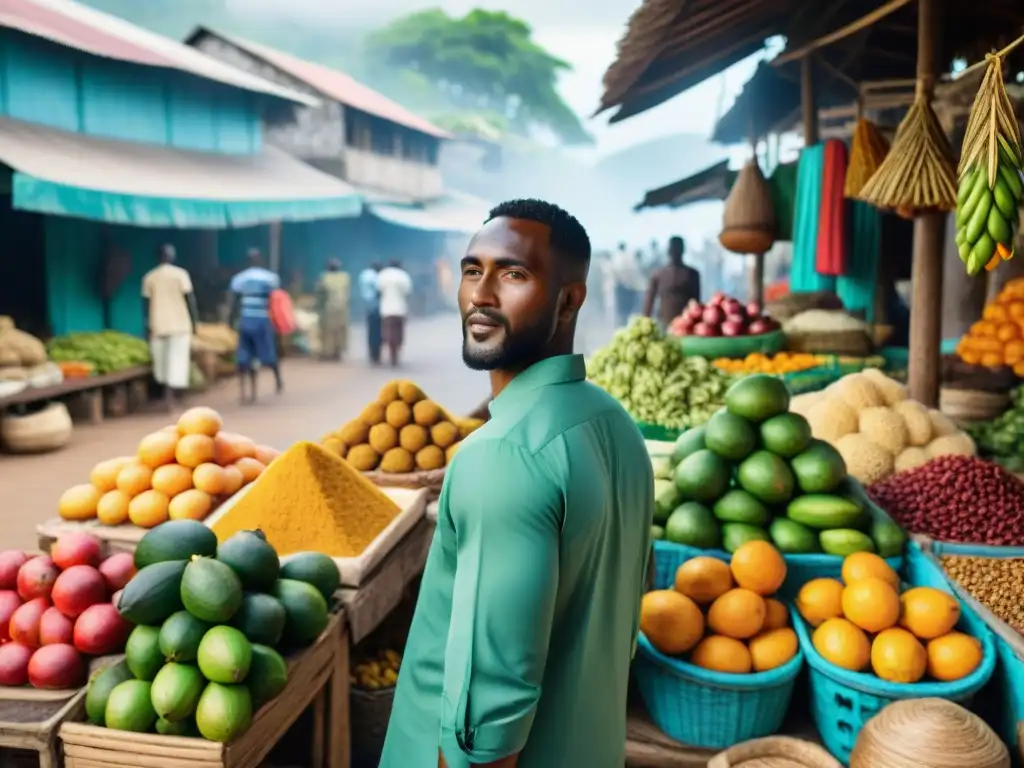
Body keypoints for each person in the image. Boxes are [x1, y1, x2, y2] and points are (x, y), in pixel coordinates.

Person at [381, 199, 653, 768]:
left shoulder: (501, 455)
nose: (481, 295)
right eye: (472, 270)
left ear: (570, 300)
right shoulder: (613, 423)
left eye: (513, 274)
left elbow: (485, 731)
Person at [141, 244, 197, 411]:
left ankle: (168, 396)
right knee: (177, 361)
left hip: (158, 324)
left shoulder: (149, 277)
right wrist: (194, 321)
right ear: (172, 256)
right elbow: (190, 299)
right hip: (179, 324)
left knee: (161, 362)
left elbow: (146, 303)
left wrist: (147, 324)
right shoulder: (180, 274)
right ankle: (171, 397)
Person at [229, 249, 283, 403]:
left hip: (246, 319)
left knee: (244, 356)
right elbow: (276, 299)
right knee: (268, 352)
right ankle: (278, 380)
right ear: (261, 260)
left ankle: (244, 393)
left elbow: (234, 300)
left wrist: (230, 319)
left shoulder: (240, 278)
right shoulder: (270, 278)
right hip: (262, 319)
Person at [643, 235, 702, 327]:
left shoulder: (692, 274)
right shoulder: (659, 275)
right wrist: (645, 324)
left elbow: (696, 304)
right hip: (664, 324)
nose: (675, 252)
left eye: (677, 249)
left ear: (683, 251)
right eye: (673, 249)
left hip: (686, 325)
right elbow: (649, 303)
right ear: (668, 251)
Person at [376, 259, 413, 366]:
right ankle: (396, 354)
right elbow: (408, 291)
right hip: (399, 309)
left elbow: (379, 289)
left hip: (386, 309)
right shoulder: (403, 275)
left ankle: (391, 353)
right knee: (398, 333)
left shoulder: (383, 275)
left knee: (388, 332)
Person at [315, 258, 351, 361]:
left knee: (328, 330)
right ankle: (338, 351)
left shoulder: (324, 277)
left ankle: (327, 351)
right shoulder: (345, 277)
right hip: (343, 308)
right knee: (340, 330)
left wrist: (318, 306)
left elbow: (319, 292)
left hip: (329, 308)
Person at [612, 241, 645, 326]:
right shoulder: (625, 257)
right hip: (626, 288)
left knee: (623, 311)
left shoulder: (618, 258)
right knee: (626, 311)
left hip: (624, 288)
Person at [358, 262, 383, 364]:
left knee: (370, 330)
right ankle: (376, 354)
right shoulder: (375, 277)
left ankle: (371, 353)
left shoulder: (364, 275)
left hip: (367, 305)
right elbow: (379, 290)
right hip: (376, 306)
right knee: (377, 331)